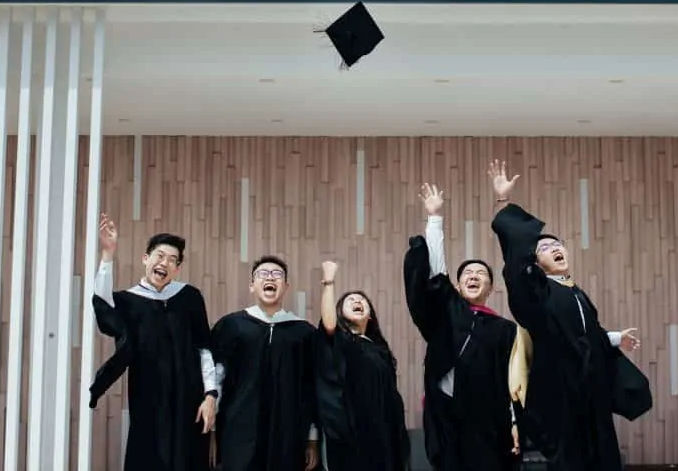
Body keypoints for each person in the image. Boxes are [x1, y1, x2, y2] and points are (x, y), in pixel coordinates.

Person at [487, 161, 641, 471]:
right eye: (544, 246)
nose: (555, 247)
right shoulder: (537, 289)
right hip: (559, 388)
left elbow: (586, 334)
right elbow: (517, 261)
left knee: (603, 457)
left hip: (589, 390)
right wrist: (504, 202)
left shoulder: (576, 292)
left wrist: (613, 338)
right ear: (536, 261)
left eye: (558, 244)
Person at [403, 181, 519, 470]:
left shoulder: (504, 329)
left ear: (490, 288)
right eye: (468, 272)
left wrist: (516, 422)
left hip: (488, 421)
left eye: (481, 273)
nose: (474, 275)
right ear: (458, 284)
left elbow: (513, 382)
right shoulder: (447, 314)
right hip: (446, 415)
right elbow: (436, 271)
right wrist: (434, 218)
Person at [87, 215, 216, 471]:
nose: (164, 263)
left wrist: (210, 395)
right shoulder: (128, 302)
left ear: (177, 268)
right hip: (148, 399)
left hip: (189, 402)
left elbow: (205, 348)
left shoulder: (189, 297)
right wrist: (108, 254)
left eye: (172, 260)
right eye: (159, 256)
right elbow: (102, 305)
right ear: (146, 259)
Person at [209, 255, 321, 471]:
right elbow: (217, 378)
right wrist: (212, 432)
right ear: (252, 285)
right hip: (238, 431)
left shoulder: (304, 333)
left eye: (277, 275)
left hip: (288, 432)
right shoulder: (231, 326)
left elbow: (311, 388)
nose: (270, 277)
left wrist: (313, 438)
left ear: (286, 286)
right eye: (263, 274)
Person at [315, 260, 410, 471]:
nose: (357, 301)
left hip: (384, 428)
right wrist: (328, 281)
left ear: (370, 315)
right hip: (352, 427)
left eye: (362, 300)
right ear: (340, 312)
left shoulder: (379, 348)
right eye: (350, 300)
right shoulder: (341, 340)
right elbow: (328, 324)